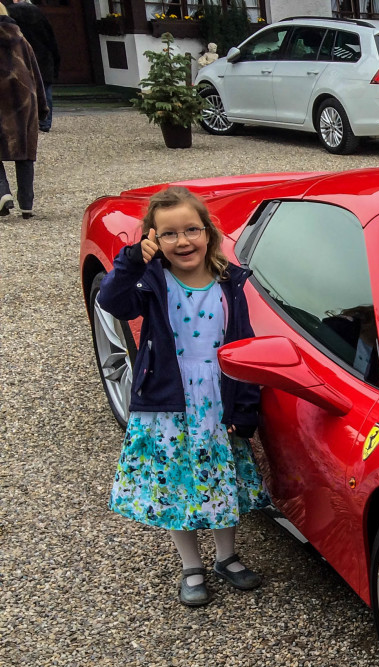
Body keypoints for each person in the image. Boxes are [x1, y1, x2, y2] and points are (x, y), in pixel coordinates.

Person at [98, 186, 270, 607]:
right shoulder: (151, 280)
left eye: (191, 229)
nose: (183, 241)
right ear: (153, 239)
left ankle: (226, 557)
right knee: (177, 483)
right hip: (170, 401)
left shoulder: (229, 282)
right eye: (169, 234)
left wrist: (245, 406)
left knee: (218, 479)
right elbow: (112, 300)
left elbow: (242, 348)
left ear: (208, 232)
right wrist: (131, 259)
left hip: (216, 397)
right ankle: (191, 564)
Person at [0, 1, 47, 218]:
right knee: (25, 152)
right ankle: (27, 205)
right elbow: (34, 71)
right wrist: (43, 106)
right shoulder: (20, 38)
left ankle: (2, 193)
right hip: (23, 98)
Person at [7, 0, 56, 132]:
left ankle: (23, 122)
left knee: (20, 90)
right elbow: (50, 40)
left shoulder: (10, 16)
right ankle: (45, 122)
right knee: (45, 90)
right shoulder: (39, 15)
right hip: (42, 56)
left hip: (19, 57)